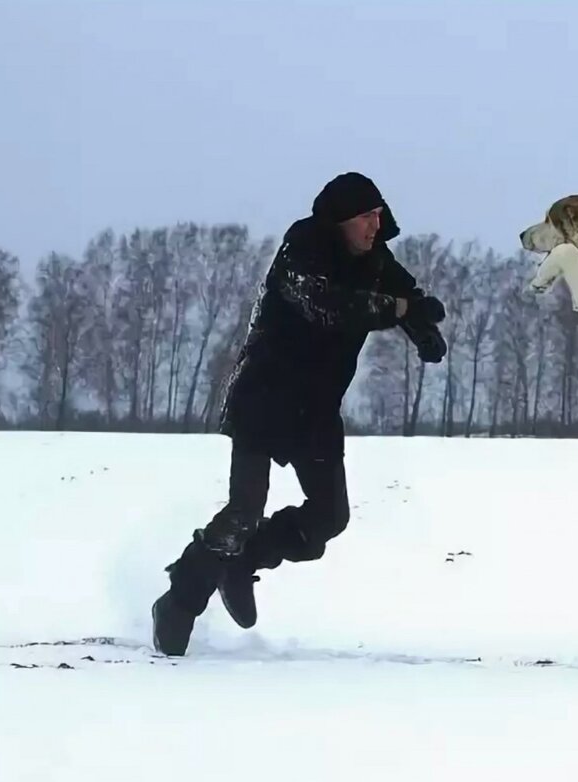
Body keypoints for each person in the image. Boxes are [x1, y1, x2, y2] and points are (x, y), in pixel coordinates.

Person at [151, 172, 447, 656]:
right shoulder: (302, 245)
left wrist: (421, 329)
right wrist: (397, 309)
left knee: (329, 517)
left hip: (315, 410)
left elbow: (407, 297)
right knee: (242, 513)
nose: (376, 226)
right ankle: (180, 601)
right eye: (366, 218)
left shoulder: (376, 260)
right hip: (264, 400)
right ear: (341, 220)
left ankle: (243, 563)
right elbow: (327, 305)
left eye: (378, 216)